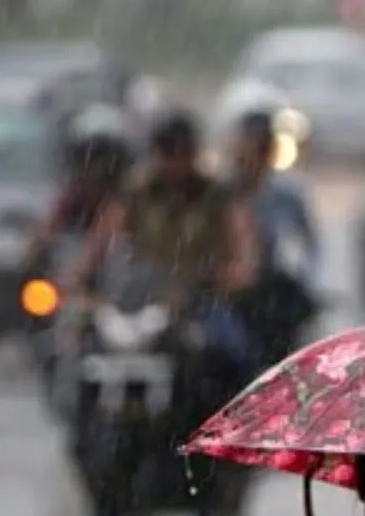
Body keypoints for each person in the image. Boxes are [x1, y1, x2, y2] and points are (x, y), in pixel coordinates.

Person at [71, 108, 260, 371]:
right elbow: (99, 244)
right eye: (167, 153)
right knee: (82, 352)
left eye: (181, 153)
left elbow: (244, 256)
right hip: (141, 302)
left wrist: (225, 277)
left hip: (199, 300)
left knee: (232, 352)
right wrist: (83, 284)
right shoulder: (136, 193)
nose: (174, 163)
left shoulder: (219, 196)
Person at [228, 109, 324, 363]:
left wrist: (306, 281)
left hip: (276, 297)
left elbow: (307, 247)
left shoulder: (287, 197)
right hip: (231, 297)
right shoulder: (224, 194)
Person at [23, 104, 134, 268]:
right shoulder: (74, 196)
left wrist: (80, 273)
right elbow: (46, 227)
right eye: (89, 159)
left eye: (104, 159)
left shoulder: (127, 199)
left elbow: (104, 238)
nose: (96, 169)